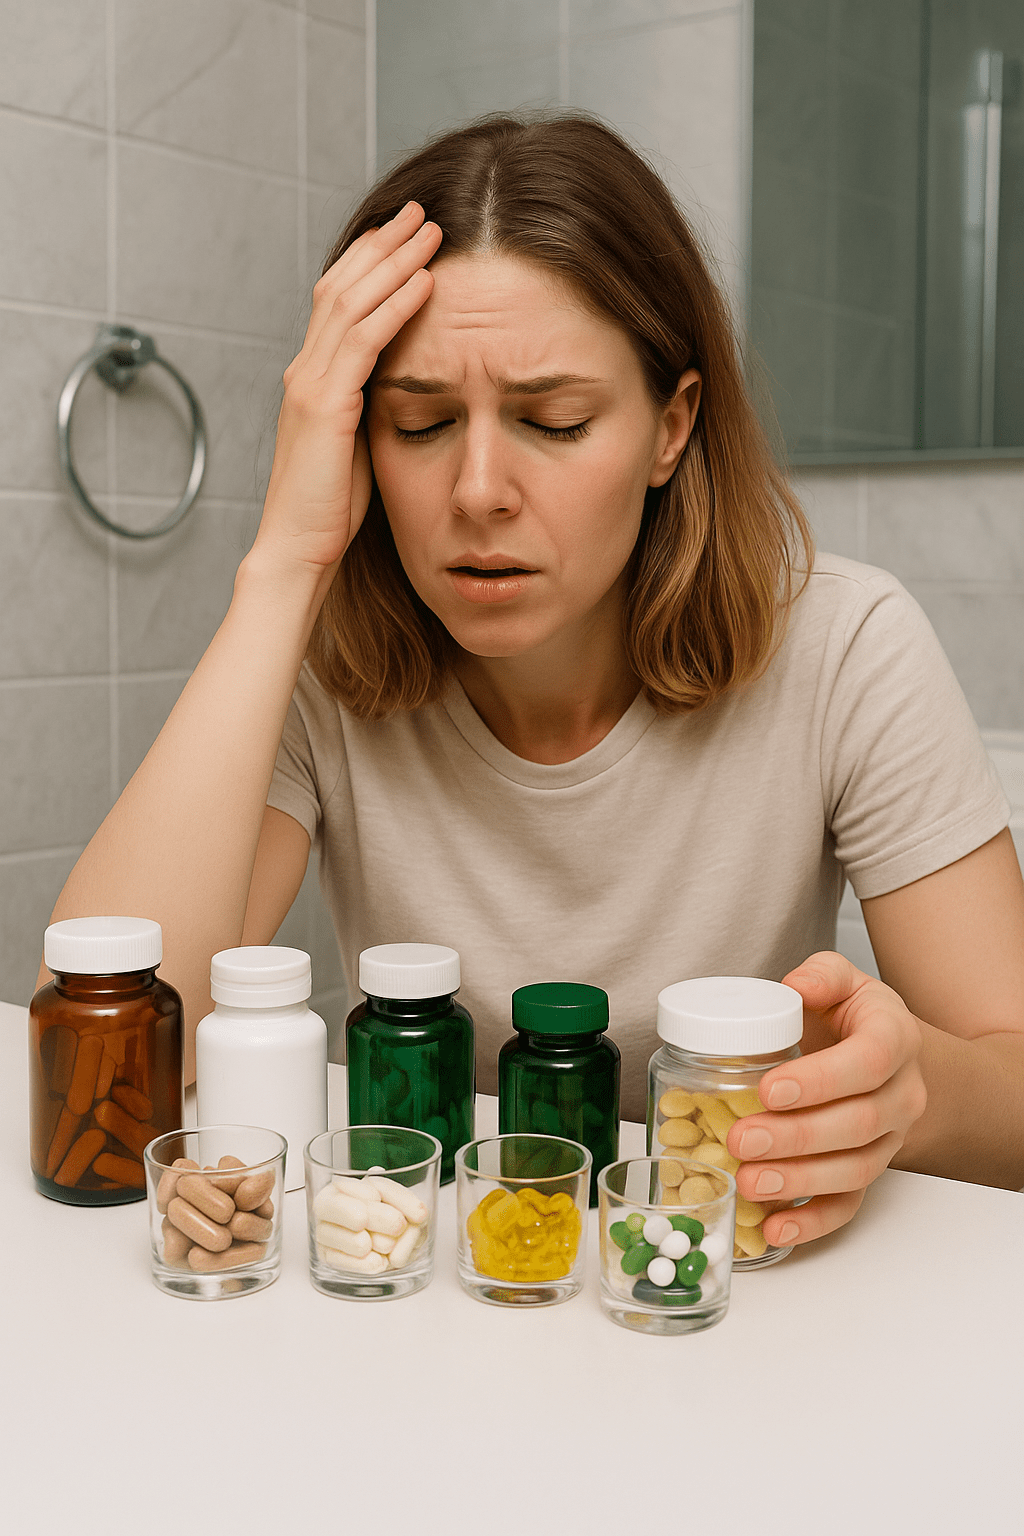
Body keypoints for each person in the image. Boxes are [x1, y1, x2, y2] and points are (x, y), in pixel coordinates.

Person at [43, 113, 1024, 1250]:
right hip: (436, 1280)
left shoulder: (845, 646)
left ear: (671, 426)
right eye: (416, 424)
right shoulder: (323, 666)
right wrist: (283, 567)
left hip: (709, 1279)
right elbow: (110, 1055)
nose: (477, 490)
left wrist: (908, 1095)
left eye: (552, 420)